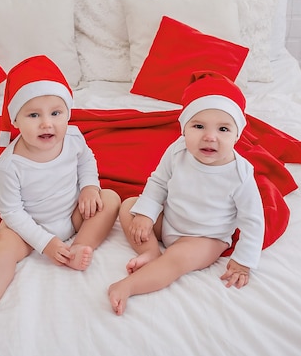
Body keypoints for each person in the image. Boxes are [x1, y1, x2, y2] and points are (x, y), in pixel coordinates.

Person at [0, 55, 120, 319]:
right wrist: (45, 243)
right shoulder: (7, 167)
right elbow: (12, 213)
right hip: (30, 227)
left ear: (67, 113)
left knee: (111, 199)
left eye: (56, 113)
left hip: (72, 213)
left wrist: (89, 187)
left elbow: (86, 161)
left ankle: (81, 245)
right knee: (5, 245)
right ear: (16, 120)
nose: (47, 123)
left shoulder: (72, 137)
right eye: (34, 114)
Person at [108, 71, 265, 316]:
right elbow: (158, 183)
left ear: (237, 135)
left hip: (205, 238)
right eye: (198, 126)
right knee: (130, 205)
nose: (210, 136)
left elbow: (253, 221)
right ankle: (150, 252)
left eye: (223, 129)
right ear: (183, 129)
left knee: (177, 259)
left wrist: (244, 261)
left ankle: (128, 286)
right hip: (170, 221)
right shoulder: (177, 151)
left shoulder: (239, 173)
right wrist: (147, 215)